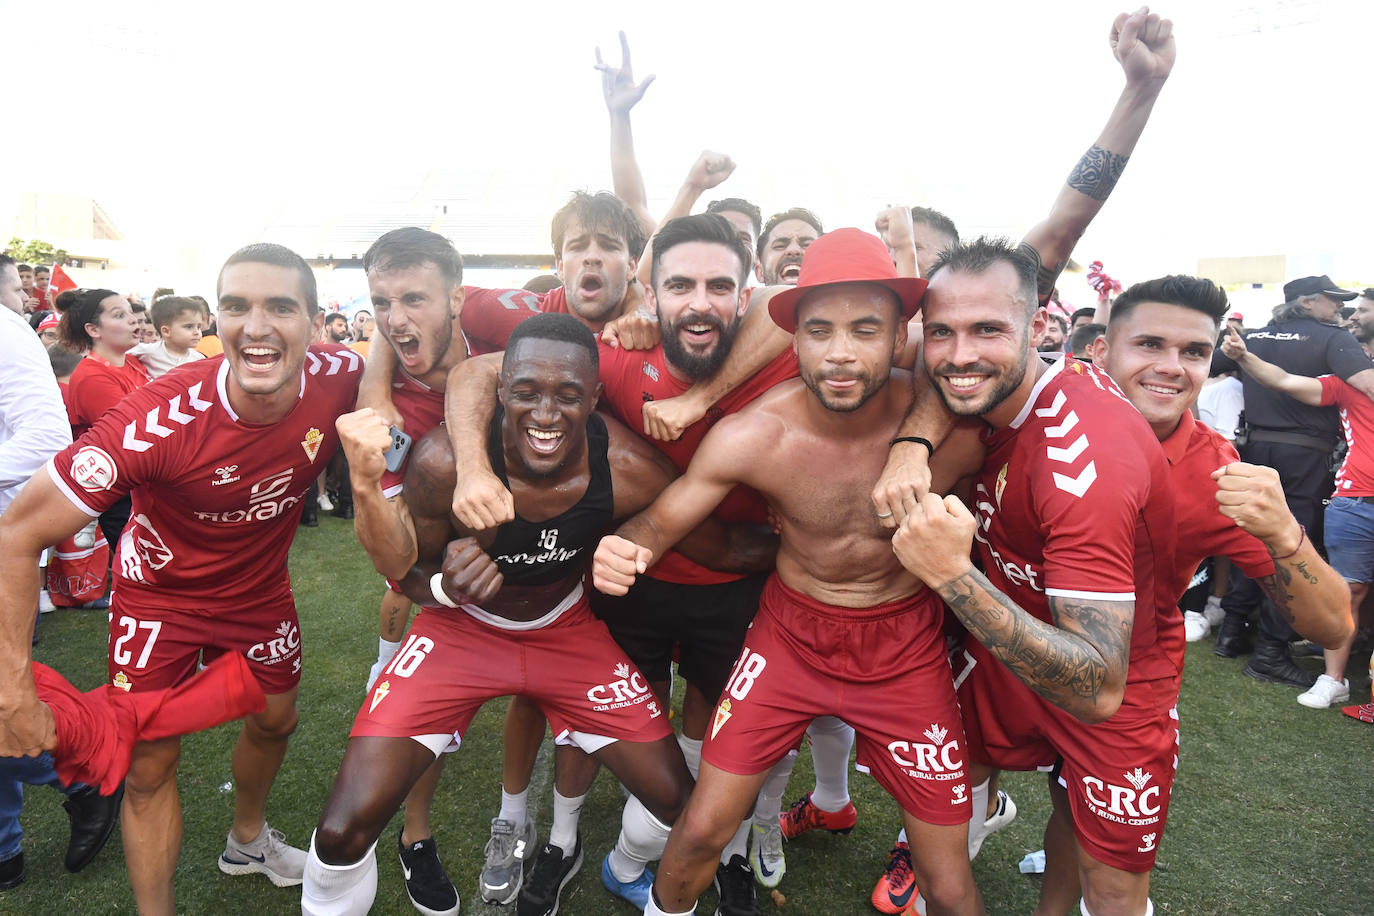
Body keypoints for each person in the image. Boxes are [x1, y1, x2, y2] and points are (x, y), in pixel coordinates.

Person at [592, 228, 987, 916]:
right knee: (700, 833)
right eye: (819, 331)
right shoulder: (755, 433)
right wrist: (623, 547)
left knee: (947, 883)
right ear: (792, 340)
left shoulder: (957, 432)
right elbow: (659, 523)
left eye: (866, 330)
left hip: (905, 651)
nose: (840, 353)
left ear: (901, 338)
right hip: (789, 640)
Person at [303, 313, 713, 916]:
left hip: (566, 633)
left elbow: (710, 540)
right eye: (526, 392)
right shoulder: (443, 463)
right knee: (340, 833)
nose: (545, 414)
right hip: (461, 630)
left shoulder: (628, 466)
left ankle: (623, 861)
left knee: (680, 806)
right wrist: (445, 586)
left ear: (594, 398)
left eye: (568, 395)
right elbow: (407, 572)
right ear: (501, 391)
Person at [0, 243, 362, 915]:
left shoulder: (344, 373)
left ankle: (247, 841)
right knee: (148, 767)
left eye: (280, 308)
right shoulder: (155, 420)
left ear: (316, 325)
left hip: (259, 593)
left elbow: (415, 369)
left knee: (277, 721)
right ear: (216, 320)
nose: (256, 327)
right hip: (158, 601)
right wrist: (13, 689)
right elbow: (16, 534)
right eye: (237, 307)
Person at [446, 214, 789, 916]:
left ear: (746, 292)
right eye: (680, 286)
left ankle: (719, 849)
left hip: (736, 581)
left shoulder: (782, 353)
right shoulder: (620, 358)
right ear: (650, 293)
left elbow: (798, 303)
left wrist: (698, 400)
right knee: (593, 717)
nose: (700, 302)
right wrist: (474, 470)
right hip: (631, 575)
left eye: (720, 286)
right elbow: (479, 372)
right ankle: (563, 841)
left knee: (713, 716)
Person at [894, 236, 1177, 916]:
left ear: (1038, 326)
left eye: (987, 330)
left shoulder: (1082, 465)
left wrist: (951, 576)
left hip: (1114, 670)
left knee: (1112, 890)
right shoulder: (1011, 393)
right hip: (1004, 643)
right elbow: (946, 376)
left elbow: (1097, 688)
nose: (960, 354)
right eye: (942, 332)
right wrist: (910, 444)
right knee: (946, 786)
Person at [0, 254, 122, 889]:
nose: (27, 295)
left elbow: (46, 437)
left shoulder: (4, 332)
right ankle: (6, 847)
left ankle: (84, 771)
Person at [1209, 275, 1374, 684]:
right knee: (1294, 548)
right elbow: (1363, 383)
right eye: (1333, 301)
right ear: (1308, 302)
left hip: (1256, 448)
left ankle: (1231, 633)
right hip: (1307, 458)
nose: (1341, 309)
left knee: (1252, 537)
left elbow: (1209, 367)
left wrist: (1243, 355)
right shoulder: (1334, 339)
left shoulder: (1252, 337)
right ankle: (1270, 650)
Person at [129, 296, 206, 378]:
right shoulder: (149, 352)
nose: (197, 332)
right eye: (189, 326)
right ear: (166, 331)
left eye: (199, 327)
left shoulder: (199, 359)